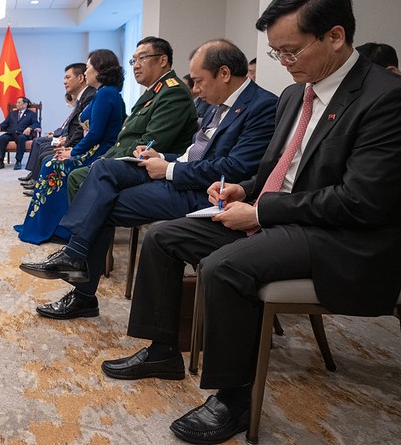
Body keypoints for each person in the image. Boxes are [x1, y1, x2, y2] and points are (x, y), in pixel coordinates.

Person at [102, 0, 401, 445]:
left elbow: (361, 201)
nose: (284, 62)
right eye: (277, 52)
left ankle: (233, 398)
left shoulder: (384, 97)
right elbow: (277, 169)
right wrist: (245, 189)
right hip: (282, 216)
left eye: (291, 51)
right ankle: (163, 350)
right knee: (163, 237)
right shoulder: (295, 94)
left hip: (338, 234)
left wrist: (262, 213)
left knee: (224, 268)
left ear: (335, 36)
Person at [19, 39, 278, 318]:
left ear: (224, 73)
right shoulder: (218, 103)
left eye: (199, 81)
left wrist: (168, 169)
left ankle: (80, 284)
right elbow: (196, 152)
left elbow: (235, 168)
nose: (195, 89)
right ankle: (75, 258)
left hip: (207, 192)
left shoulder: (261, 106)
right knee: (103, 171)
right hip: (181, 173)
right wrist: (164, 157)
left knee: (100, 203)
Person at [14, 50, 126, 244]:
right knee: (51, 162)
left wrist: (73, 151)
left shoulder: (106, 93)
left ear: (99, 69)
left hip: (100, 153)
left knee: (52, 165)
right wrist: (72, 150)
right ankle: (46, 224)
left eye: (88, 67)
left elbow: (95, 134)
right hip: (93, 149)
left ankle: (58, 227)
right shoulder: (104, 92)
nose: (86, 71)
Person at [66, 37, 198, 197]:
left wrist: (108, 159)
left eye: (142, 58)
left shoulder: (173, 92)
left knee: (77, 177)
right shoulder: (154, 92)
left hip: (148, 166)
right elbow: (126, 137)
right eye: (133, 60)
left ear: (163, 60)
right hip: (126, 159)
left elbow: (151, 143)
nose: (136, 65)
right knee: (79, 173)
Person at [20, 63, 95, 190]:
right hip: (71, 140)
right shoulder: (84, 97)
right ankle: (36, 180)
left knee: (46, 156)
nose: (64, 82)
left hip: (79, 146)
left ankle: (38, 185)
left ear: (80, 78)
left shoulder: (90, 96)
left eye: (68, 77)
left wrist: (68, 146)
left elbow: (83, 129)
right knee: (43, 148)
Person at [0, 96, 40, 170]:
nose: (16, 104)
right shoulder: (12, 113)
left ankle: (18, 161)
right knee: (2, 138)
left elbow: (36, 124)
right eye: (17, 102)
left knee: (21, 138)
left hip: (22, 134)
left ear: (25, 104)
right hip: (11, 133)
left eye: (19, 102)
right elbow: (5, 123)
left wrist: (30, 128)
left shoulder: (31, 114)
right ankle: (0, 161)